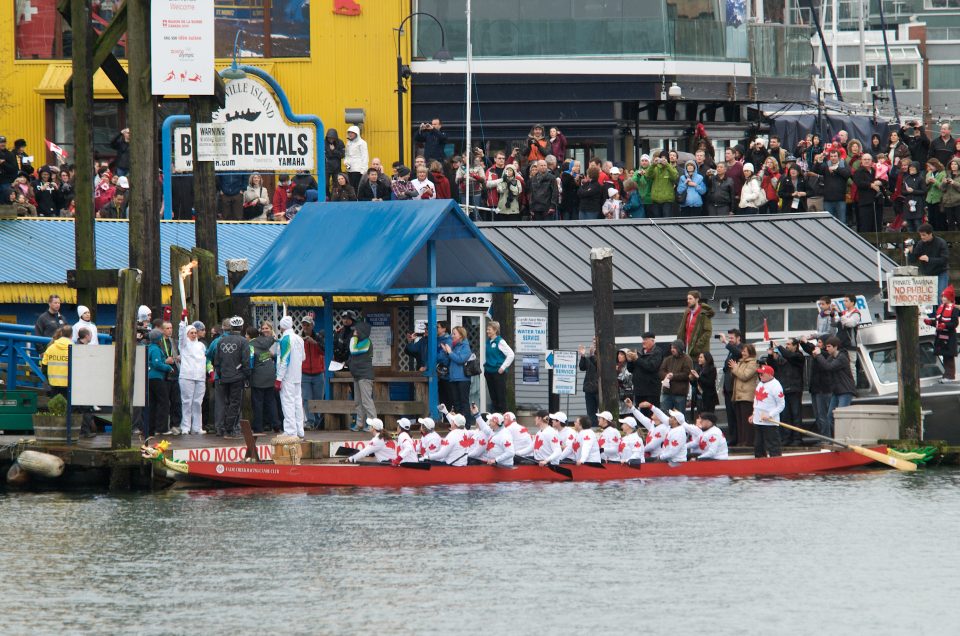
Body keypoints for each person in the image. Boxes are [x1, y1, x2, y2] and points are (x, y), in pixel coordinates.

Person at [811, 336, 855, 438]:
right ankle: (836, 438)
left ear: (836, 347)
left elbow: (828, 367)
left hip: (845, 390)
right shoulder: (832, 357)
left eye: (829, 346)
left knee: (841, 416)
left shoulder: (842, 357)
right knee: (830, 416)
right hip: (836, 391)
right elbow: (824, 365)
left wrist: (819, 355)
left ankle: (844, 438)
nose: (827, 349)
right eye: (826, 346)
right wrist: (816, 356)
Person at [341, 310, 377, 432]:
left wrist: (354, 338)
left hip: (365, 376)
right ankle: (360, 423)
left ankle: (373, 425)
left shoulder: (366, 342)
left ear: (362, 332)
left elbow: (353, 350)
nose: (354, 332)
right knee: (358, 402)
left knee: (367, 401)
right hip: (357, 375)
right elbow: (353, 357)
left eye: (356, 330)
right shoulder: (359, 341)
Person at [213, 316, 248, 439]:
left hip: (223, 376)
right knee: (235, 403)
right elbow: (246, 362)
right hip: (237, 377)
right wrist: (246, 376)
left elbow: (216, 361)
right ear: (242, 327)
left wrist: (221, 373)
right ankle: (230, 430)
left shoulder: (221, 341)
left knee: (224, 403)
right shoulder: (243, 341)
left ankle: (221, 428)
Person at [768, 338, 805, 445]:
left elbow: (790, 356)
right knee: (785, 416)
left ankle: (797, 438)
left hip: (794, 389)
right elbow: (772, 367)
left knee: (796, 415)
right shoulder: (783, 357)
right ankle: (786, 438)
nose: (787, 346)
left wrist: (779, 347)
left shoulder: (798, 356)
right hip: (784, 390)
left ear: (795, 346)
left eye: (788, 344)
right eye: (786, 344)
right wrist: (771, 355)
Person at [275, 315, 305, 439]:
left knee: (287, 403)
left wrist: (278, 378)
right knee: (298, 403)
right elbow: (303, 357)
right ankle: (300, 430)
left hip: (287, 377)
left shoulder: (285, 339)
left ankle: (290, 431)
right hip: (297, 375)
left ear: (281, 327)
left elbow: (284, 360)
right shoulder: (299, 339)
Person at [177, 316, 208, 435]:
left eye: (195, 332)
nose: (194, 335)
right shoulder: (184, 345)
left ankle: (197, 427)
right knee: (186, 402)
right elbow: (181, 336)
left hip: (200, 377)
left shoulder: (201, 346)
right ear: (187, 334)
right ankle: (185, 427)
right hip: (187, 376)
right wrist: (182, 322)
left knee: (197, 403)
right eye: (191, 333)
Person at [248, 322, 279, 434]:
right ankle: (276, 424)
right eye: (263, 328)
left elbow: (250, 362)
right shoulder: (268, 341)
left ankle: (258, 427)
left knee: (258, 403)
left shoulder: (251, 345)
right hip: (270, 376)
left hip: (258, 378)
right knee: (271, 401)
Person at [906, 224, 950, 301]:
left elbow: (944, 260)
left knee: (941, 296)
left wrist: (929, 259)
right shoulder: (920, 243)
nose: (922, 237)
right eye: (921, 235)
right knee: (928, 297)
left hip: (941, 273)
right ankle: (931, 313)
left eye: (924, 235)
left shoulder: (941, 242)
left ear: (930, 234)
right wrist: (911, 250)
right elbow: (913, 260)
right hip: (927, 274)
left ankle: (941, 313)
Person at [924, 285, 958, 383]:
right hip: (941, 337)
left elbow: (954, 323)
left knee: (949, 356)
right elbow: (938, 322)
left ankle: (950, 376)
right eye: (942, 296)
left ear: (950, 298)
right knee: (944, 356)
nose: (943, 298)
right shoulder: (940, 308)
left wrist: (945, 326)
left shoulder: (954, 310)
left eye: (945, 297)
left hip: (949, 337)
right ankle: (946, 375)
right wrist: (931, 322)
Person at [750, 364, 785, 458]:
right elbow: (756, 401)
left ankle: (777, 463)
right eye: (759, 374)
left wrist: (770, 415)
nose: (760, 376)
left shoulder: (776, 386)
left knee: (773, 446)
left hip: (770, 422)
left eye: (762, 374)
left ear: (770, 375)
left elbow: (781, 405)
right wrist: (753, 414)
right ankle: (760, 462)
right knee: (758, 445)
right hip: (758, 421)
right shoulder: (760, 383)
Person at [146, 329, 176, 436]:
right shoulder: (155, 349)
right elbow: (157, 363)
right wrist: (168, 367)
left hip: (149, 378)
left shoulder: (149, 348)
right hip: (157, 378)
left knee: (153, 403)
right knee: (164, 403)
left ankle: (151, 429)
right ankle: (161, 428)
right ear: (159, 339)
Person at [439, 325, 473, 418]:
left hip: (463, 379)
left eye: (454, 334)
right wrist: (446, 352)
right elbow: (447, 361)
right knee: (456, 403)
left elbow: (460, 360)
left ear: (461, 335)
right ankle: (458, 423)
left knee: (463, 402)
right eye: (452, 333)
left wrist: (450, 352)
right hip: (453, 378)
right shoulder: (454, 346)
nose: (452, 336)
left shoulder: (465, 346)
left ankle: (466, 425)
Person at [299, 315, 325, 431]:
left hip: (318, 372)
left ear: (312, 326)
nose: (305, 327)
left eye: (307, 325)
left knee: (318, 398)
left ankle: (318, 420)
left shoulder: (319, 337)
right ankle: (310, 421)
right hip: (304, 373)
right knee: (306, 398)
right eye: (304, 324)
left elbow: (325, 351)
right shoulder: (299, 339)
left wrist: (314, 342)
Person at [730, 342, 758, 447]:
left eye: (745, 351)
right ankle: (741, 441)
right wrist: (735, 368)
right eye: (742, 351)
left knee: (747, 421)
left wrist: (735, 368)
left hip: (747, 396)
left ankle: (748, 441)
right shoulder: (741, 362)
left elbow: (745, 376)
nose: (742, 353)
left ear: (750, 352)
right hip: (738, 396)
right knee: (740, 421)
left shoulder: (753, 363)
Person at [483, 321, 514, 414]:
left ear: (495, 330)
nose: (487, 331)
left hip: (498, 373)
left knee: (501, 397)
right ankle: (496, 418)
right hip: (489, 372)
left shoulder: (500, 341)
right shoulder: (488, 342)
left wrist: (503, 367)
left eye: (489, 329)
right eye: (487, 329)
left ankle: (505, 418)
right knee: (493, 397)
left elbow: (511, 354)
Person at [626, 332, 663, 409]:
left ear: (652, 341)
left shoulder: (657, 352)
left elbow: (651, 367)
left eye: (645, 339)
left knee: (650, 416)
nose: (643, 342)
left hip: (651, 391)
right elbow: (631, 370)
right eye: (643, 339)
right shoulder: (640, 353)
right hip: (639, 391)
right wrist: (630, 361)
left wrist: (637, 359)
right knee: (640, 415)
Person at [813, 150, 851, 224]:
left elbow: (847, 174)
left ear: (838, 157)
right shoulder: (826, 165)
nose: (833, 158)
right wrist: (819, 160)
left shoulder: (843, 164)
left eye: (835, 156)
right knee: (829, 223)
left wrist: (836, 169)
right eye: (831, 156)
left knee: (842, 223)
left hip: (840, 200)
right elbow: (815, 170)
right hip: (828, 200)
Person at [677, 290, 714, 360]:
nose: (688, 301)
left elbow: (708, 332)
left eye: (690, 299)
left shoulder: (703, 314)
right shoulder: (687, 312)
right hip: (687, 349)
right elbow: (682, 330)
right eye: (687, 299)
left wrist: (697, 346)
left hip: (699, 353)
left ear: (697, 299)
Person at [659, 339, 693, 413]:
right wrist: (666, 375)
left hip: (680, 394)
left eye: (674, 348)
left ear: (680, 348)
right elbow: (661, 371)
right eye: (671, 348)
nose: (672, 350)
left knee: (679, 416)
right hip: (666, 393)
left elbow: (687, 374)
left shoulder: (687, 359)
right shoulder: (668, 359)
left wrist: (673, 376)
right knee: (665, 415)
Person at [41, 324, 72, 401]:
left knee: (54, 407)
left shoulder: (51, 348)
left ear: (61, 333)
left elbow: (44, 366)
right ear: (71, 335)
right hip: (68, 384)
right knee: (67, 408)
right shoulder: (74, 348)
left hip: (53, 383)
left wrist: (49, 379)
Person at [836, 294, 861, 385]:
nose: (844, 303)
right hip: (841, 343)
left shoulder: (856, 313)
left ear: (852, 302)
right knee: (841, 365)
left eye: (846, 301)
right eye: (844, 301)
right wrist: (831, 313)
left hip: (850, 343)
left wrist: (839, 313)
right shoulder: (844, 313)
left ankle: (853, 386)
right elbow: (835, 322)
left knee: (851, 365)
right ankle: (843, 384)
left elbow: (850, 324)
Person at [647, 151, 679, 218]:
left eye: (665, 159)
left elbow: (675, 177)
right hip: (656, 199)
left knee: (666, 218)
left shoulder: (671, 168)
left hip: (667, 200)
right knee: (657, 219)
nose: (662, 160)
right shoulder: (655, 168)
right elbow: (648, 175)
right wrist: (653, 165)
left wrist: (667, 165)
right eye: (661, 158)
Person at [578, 339, 599, 425]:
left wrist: (592, 355)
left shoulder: (604, 353)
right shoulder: (591, 355)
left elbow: (598, 365)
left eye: (595, 340)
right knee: (591, 412)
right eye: (593, 340)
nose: (594, 342)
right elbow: (582, 367)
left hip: (600, 389)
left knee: (601, 411)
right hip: (589, 388)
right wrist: (583, 356)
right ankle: (593, 428)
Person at [344, 125, 368, 190]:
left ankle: (358, 199)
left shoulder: (362, 143)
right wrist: (346, 162)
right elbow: (346, 154)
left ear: (356, 133)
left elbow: (365, 156)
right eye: (349, 132)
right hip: (349, 169)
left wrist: (364, 170)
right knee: (350, 186)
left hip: (358, 169)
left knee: (357, 187)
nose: (350, 134)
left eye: (352, 132)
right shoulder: (348, 143)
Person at [324, 129, 345, 194]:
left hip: (336, 168)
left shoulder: (340, 143)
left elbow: (342, 155)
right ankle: (327, 197)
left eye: (332, 138)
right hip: (326, 167)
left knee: (336, 185)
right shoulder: (323, 143)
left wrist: (334, 150)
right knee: (325, 184)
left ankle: (334, 198)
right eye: (329, 138)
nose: (331, 139)